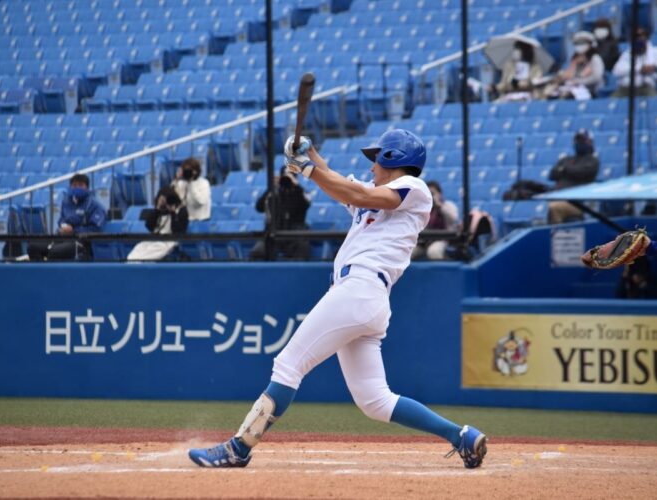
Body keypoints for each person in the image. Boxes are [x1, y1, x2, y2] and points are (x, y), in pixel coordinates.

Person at [188, 129, 487, 470]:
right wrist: (309, 155)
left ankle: (238, 447)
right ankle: (460, 436)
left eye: (377, 159)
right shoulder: (374, 198)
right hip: (365, 299)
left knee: (288, 365)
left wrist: (307, 169)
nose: (372, 166)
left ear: (394, 159)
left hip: (359, 290)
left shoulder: (413, 189)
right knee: (375, 401)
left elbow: (353, 191)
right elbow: (340, 186)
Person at [26, 173, 106, 261]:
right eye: (74, 185)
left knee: (55, 251)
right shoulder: (67, 202)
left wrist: (73, 231)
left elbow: (95, 229)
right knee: (33, 247)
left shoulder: (95, 206)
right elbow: (61, 220)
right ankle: (40, 272)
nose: (77, 188)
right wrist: (62, 227)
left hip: (82, 242)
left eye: (80, 185)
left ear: (87, 187)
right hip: (62, 238)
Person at [249, 167, 311, 260]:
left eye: (290, 176)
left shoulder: (299, 193)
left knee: (302, 248)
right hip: (275, 232)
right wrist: (270, 188)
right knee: (257, 252)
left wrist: (296, 186)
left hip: (295, 234)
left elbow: (306, 204)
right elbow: (259, 207)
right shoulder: (274, 193)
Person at [547, 129, 599, 224]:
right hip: (558, 198)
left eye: (582, 141)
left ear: (589, 142)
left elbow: (580, 173)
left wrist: (564, 169)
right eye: (577, 141)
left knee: (554, 207)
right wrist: (569, 169)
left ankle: (555, 235)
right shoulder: (567, 159)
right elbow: (552, 175)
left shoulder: (592, 160)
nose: (578, 143)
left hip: (579, 204)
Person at [612, 27, 657, 97]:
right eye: (635, 36)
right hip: (625, 89)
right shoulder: (626, 54)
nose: (637, 39)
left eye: (640, 36)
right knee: (610, 102)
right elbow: (617, 71)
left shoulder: (656, 52)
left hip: (646, 88)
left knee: (655, 102)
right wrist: (639, 69)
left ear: (646, 37)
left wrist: (655, 66)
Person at [126, 186, 188, 261]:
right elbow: (149, 226)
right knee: (139, 247)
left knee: (153, 251)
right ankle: (132, 264)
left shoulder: (181, 211)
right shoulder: (158, 211)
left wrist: (172, 213)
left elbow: (178, 231)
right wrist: (158, 209)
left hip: (169, 240)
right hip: (154, 239)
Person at [544, 31, 605, 100]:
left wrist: (578, 81)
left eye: (582, 43)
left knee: (568, 96)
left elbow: (596, 77)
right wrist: (563, 77)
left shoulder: (595, 58)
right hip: (573, 86)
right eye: (577, 43)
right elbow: (571, 74)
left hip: (590, 89)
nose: (579, 46)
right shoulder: (575, 60)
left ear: (590, 44)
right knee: (552, 94)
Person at [411, 181, 459, 260]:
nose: (430, 196)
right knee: (408, 252)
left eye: (432, 194)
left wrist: (439, 205)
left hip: (442, 239)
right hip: (423, 241)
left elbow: (453, 218)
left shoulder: (447, 205)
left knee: (434, 252)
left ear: (439, 194)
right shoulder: (422, 208)